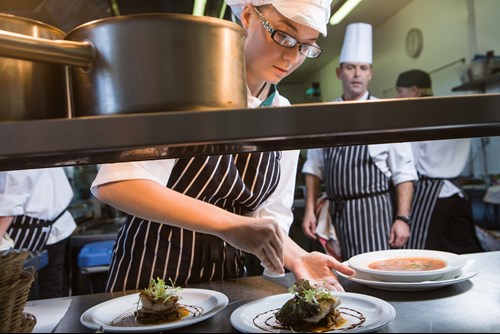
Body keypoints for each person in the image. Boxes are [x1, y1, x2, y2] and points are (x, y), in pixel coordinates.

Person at [90, 0, 355, 293]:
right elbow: (120, 184)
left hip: (226, 285)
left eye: (306, 46)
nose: (292, 57)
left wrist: (299, 258)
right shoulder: (183, 86)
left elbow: (268, 220)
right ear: (247, 15)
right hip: (147, 276)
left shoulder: (282, 113)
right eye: (284, 36)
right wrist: (229, 224)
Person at [301, 23, 418, 261]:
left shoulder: (386, 113)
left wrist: (402, 218)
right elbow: (314, 166)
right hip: (335, 213)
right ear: (339, 72)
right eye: (350, 68)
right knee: (339, 277)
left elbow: (403, 172)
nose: (356, 74)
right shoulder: (325, 114)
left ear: (370, 73)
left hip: (373, 213)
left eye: (363, 68)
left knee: (376, 274)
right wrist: (309, 209)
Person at [396, 69, 484, 253]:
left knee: (421, 251)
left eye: (400, 91)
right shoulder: (453, 112)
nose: (398, 97)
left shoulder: (417, 116)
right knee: (465, 250)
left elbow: (408, 159)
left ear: (415, 90)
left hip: (431, 196)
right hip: (458, 194)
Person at [0, 167, 77, 299]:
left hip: (41, 231)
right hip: (48, 225)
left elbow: (10, 202)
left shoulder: (12, 149)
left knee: (45, 300)